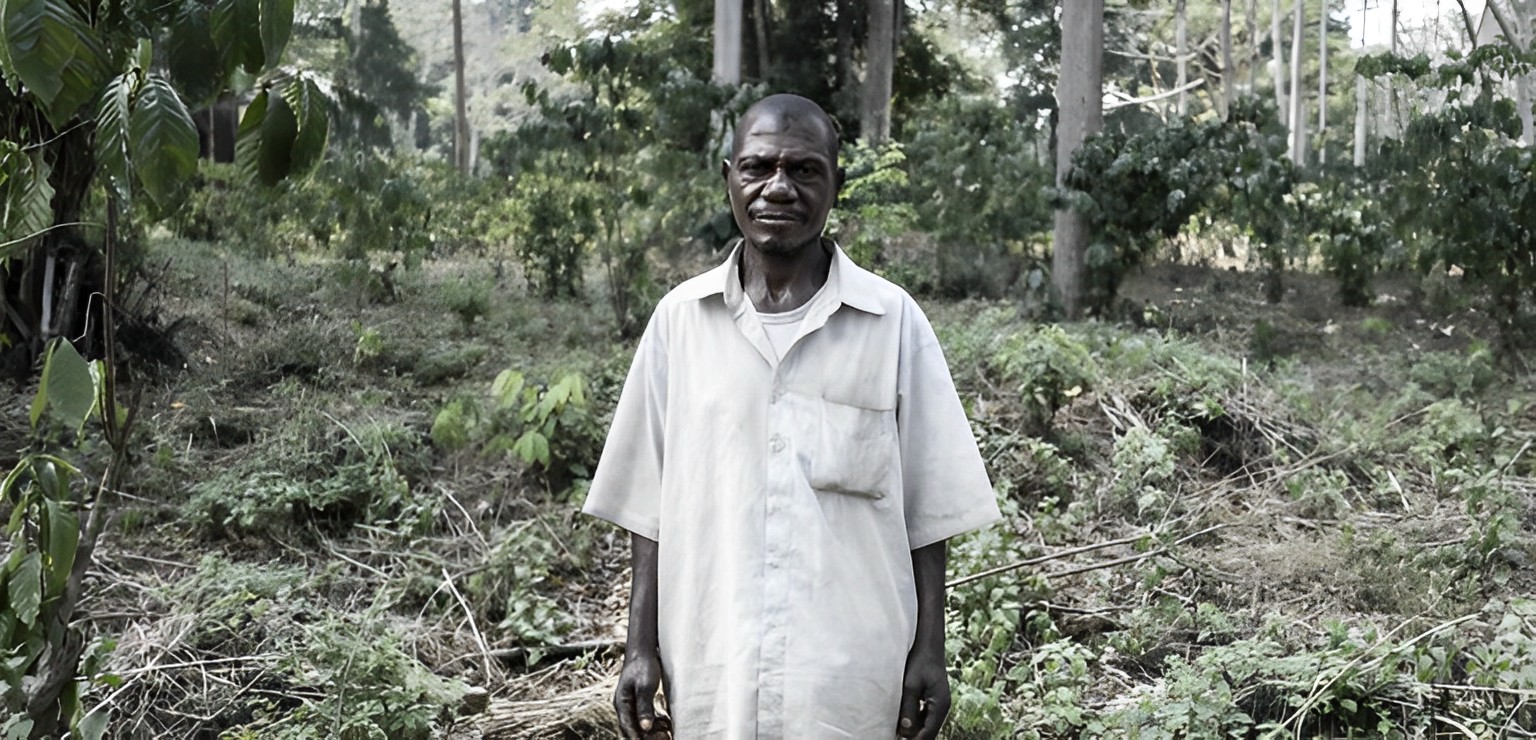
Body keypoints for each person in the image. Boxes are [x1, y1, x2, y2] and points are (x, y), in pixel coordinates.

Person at [582, 93, 1000, 740]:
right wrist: (639, 647)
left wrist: (930, 650)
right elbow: (646, 507)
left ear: (836, 183)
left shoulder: (892, 322)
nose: (778, 187)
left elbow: (930, 513)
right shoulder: (679, 322)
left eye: (804, 170)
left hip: (849, 681)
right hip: (714, 666)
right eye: (758, 168)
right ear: (730, 178)